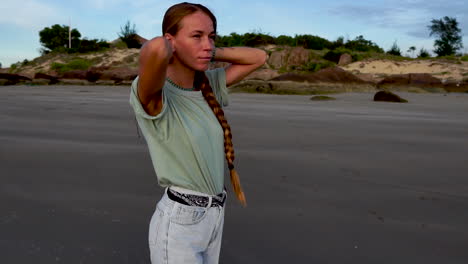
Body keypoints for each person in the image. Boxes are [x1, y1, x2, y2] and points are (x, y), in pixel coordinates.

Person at [129, 2, 267, 264]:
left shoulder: (207, 84)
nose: (207, 44)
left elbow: (259, 57)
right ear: (172, 41)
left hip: (213, 216)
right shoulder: (156, 94)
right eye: (196, 36)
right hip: (180, 221)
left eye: (211, 36)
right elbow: (155, 49)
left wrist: (205, 49)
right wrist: (172, 47)